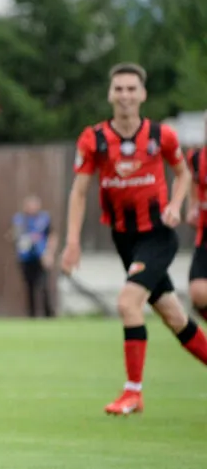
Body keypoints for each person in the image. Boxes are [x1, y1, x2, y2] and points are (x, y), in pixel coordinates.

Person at [61, 62, 207, 416]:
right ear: (110, 94)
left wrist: (174, 204)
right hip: (124, 239)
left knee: (128, 304)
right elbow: (79, 192)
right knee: (174, 316)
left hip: (157, 236)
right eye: (119, 89)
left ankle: (133, 393)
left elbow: (182, 173)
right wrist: (72, 240)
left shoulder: (161, 136)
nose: (125, 95)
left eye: (131, 89)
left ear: (143, 94)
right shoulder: (93, 139)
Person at [10, 195, 57, 318]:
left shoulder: (44, 219)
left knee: (44, 286)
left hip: (41, 257)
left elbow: (52, 235)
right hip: (26, 258)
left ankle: (49, 314)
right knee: (29, 287)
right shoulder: (20, 220)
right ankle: (32, 315)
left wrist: (49, 254)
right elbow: (16, 236)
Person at [186, 110, 207, 323]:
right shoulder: (197, 157)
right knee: (198, 293)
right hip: (205, 234)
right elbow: (193, 180)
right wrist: (192, 206)